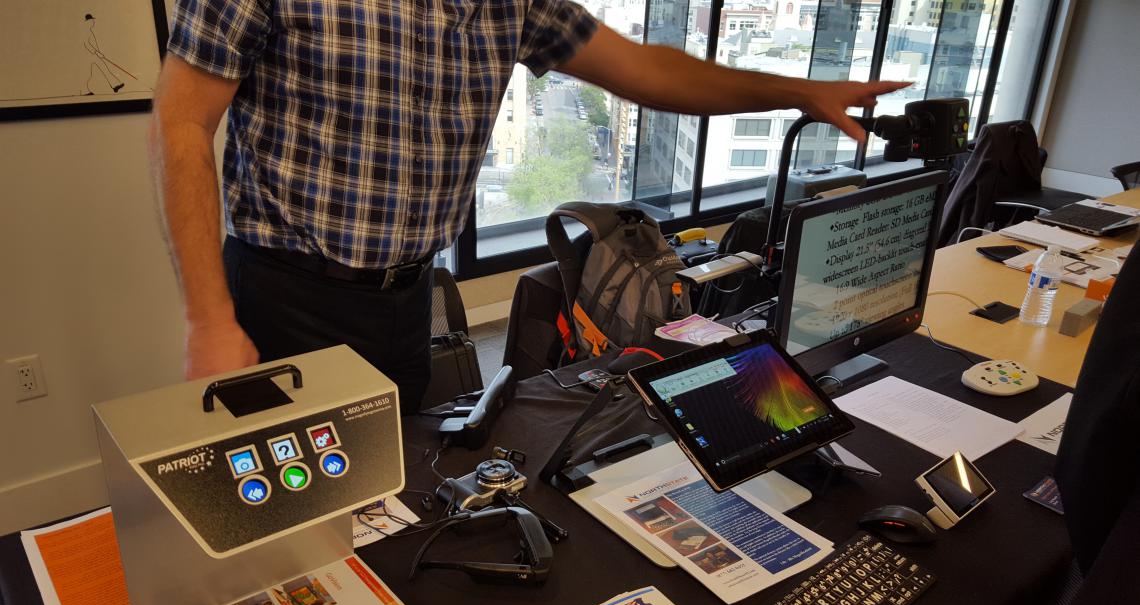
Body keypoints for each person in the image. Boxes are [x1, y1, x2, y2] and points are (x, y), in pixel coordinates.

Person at [150, 0, 909, 411]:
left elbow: (649, 70)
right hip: (285, 296)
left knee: (393, 504)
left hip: (406, 299)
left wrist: (797, 92)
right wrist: (207, 320)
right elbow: (181, 121)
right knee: (284, 521)